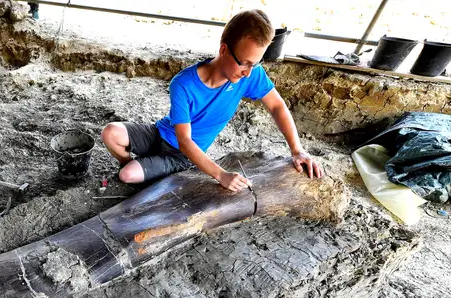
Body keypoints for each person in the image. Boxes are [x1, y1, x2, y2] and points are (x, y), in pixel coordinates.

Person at [101, 9, 323, 192]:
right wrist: (220, 174)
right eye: (244, 63)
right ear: (224, 49)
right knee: (110, 132)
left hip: (182, 157)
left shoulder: (251, 75)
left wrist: (297, 150)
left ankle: (146, 168)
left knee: (127, 175)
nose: (248, 72)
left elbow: (276, 106)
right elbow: (184, 139)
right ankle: (142, 166)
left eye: (254, 64)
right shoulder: (183, 83)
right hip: (162, 134)